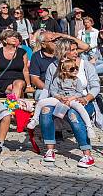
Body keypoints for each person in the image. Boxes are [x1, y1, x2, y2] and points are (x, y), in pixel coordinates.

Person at [39, 38, 99, 168]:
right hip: (59, 100)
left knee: (73, 114)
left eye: (75, 49)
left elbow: (95, 87)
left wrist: (86, 98)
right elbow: (47, 88)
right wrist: (40, 102)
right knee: (45, 111)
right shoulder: (53, 66)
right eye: (72, 50)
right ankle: (50, 150)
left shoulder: (85, 65)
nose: (76, 52)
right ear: (63, 51)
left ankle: (87, 154)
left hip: (82, 100)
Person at [27, 57, 96, 140]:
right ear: (64, 71)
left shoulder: (77, 80)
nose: (75, 70)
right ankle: (35, 119)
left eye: (76, 68)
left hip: (72, 99)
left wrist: (71, 98)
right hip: (59, 99)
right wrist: (59, 97)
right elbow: (53, 90)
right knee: (41, 102)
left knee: (80, 108)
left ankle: (89, 127)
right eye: (72, 69)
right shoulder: (58, 79)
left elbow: (79, 93)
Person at [0, 30, 29, 97]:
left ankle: (13, 105)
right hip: (3, 80)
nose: (14, 38)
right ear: (4, 40)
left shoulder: (22, 52)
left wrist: (28, 85)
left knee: (18, 84)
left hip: (19, 79)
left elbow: (25, 70)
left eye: (15, 37)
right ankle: (16, 105)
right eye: (11, 36)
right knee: (14, 89)